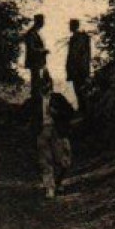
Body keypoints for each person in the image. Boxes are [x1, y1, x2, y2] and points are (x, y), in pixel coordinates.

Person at [37, 71, 76, 199]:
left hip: (58, 131)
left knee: (64, 161)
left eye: (47, 83)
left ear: (51, 84)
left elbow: (70, 112)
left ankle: (58, 182)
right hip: (43, 131)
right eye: (43, 84)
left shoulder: (58, 98)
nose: (45, 86)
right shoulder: (35, 101)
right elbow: (26, 117)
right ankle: (50, 188)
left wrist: (57, 113)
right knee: (45, 161)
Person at [66, 19, 93, 115]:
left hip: (80, 69)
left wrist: (83, 69)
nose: (69, 27)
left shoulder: (81, 38)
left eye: (71, 25)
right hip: (77, 69)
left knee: (81, 91)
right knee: (79, 91)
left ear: (75, 26)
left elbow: (81, 55)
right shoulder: (76, 38)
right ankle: (82, 110)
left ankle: (84, 111)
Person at [22, 14, 48, 107]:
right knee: (36, 82)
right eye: (42, 21)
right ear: (38, 21)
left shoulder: (35, 33)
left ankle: (37, 102)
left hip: (39, 62)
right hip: (35, 62)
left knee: (38, 82)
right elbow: (31, 49)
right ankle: (36, 103)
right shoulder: (31, 33)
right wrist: (43, 51)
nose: (43, 23)